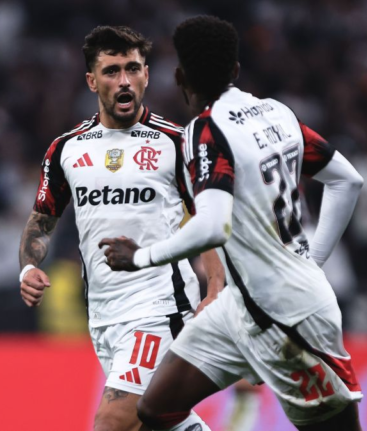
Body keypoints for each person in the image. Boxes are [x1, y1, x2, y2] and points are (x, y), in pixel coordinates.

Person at [100, 16, 365, 430]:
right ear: (236, 70)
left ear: (180, 77)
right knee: (155, 410)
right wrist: (311, 261)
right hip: (238, 308)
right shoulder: (276, 113)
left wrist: (140, 257)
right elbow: (347, 180)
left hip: (289, 319)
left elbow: (212, 226)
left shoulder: (205, 131)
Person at [18, 26, 218, 431]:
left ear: (147, 75)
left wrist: (215, 290)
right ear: (92, 81)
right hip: (103, 316)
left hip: (160, 308)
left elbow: (210, 219)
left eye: (132, 68)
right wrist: (28, 268)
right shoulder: (66, 149)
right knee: (162, 421)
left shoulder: (175, 143)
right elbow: (41, 220)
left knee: (111, 422)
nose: (124, 80)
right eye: (111, 71)